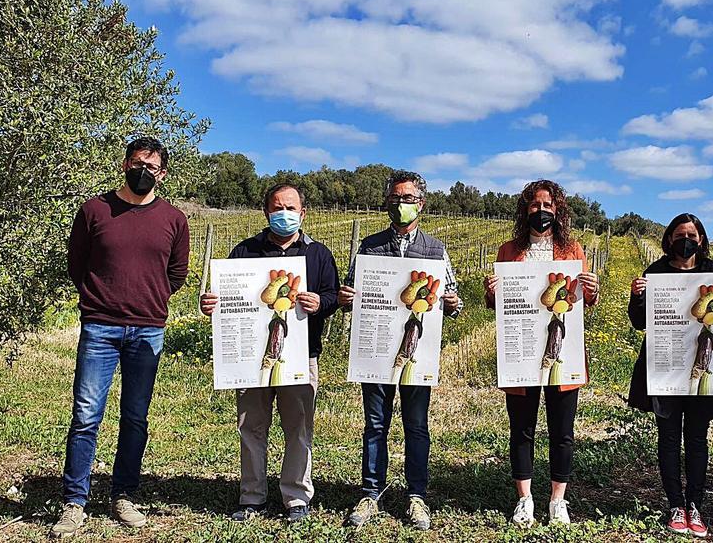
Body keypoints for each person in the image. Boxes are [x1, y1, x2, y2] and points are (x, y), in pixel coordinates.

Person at [52, 137, 189, 538]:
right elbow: (77, 263)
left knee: (135, 417)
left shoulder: (174, 219)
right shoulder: (95, 210)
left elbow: (177, 273)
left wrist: (151, 299)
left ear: (162, 174)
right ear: (125, 165)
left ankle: (123, 495)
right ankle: (74, 502)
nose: (143, 170)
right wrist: (101, 299)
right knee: (85, 416)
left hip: (149, 330)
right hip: (100, 328)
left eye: (152, 166)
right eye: (137, 162)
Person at [199, 184, 339, 524]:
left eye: (291, 208)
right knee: (251, 426)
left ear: (303, 213)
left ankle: (296, 497)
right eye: (278, 208)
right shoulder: (244, 252)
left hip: (302, 355)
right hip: (249, 358)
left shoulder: (319, 255)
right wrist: (211, 304)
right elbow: (224, 297)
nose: (285, 215)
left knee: (299, 428)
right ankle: (252, 497)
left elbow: (333, 296)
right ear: (266, 212)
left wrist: (322, 302)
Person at [337, 170, 461, 531]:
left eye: (407, 199)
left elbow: (454, 302)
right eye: (394, 198)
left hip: (417, 351)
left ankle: (416, 496)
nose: (400, 204)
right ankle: (371, 492)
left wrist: (452, 303)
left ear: (420, 204)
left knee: (416, 425)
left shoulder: (435, 250)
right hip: (376, 351)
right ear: (386, 202)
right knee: (375, 423)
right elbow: (351, 291)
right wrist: (347, 298)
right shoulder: (370, 246)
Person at [484, 180, 601, 527]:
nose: (541, 211)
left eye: (548, 205)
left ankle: (557, 501)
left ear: (559, 210)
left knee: (562, 430)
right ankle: (525, 500)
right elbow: (497, 305)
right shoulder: (509, 250)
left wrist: (592, 290)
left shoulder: (573, 250)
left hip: (563, 352)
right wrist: (492, 292)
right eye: (535, 205)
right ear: (525, 210)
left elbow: (583, 302)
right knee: (521, 428)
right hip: (521, 353)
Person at [627, 213, 713, 538]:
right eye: (680, 234)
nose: (686, 240)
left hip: (701, 368)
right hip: (665, 366)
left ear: (701, 240)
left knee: (696, 438)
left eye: (692, 235)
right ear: (668, 239)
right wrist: (637, 296)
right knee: (667, 438)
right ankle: (675, 505)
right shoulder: (655, 272)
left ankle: (695, 504)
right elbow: (639, 322)